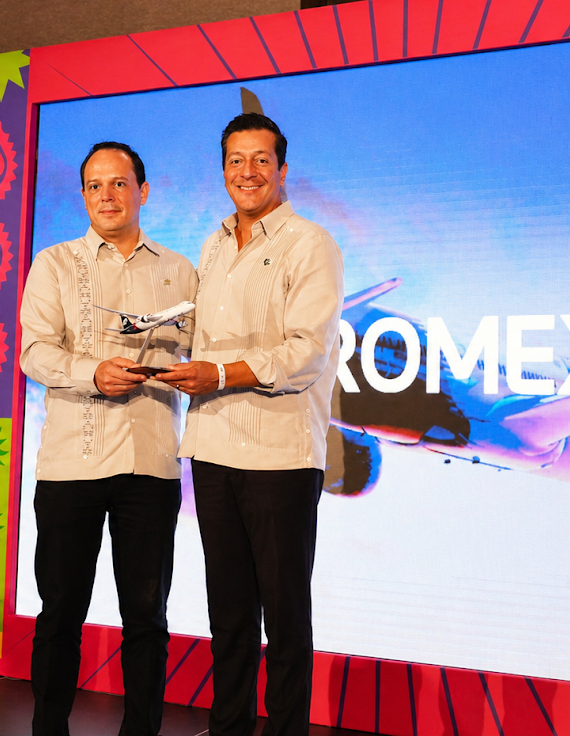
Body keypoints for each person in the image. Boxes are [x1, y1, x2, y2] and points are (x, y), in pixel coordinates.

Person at [156, 114, 344, 736]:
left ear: (283, 170)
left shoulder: (310, 243)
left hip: (280, 454)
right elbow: (202, 336)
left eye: (261, 159)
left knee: (285, 618)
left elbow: (306, 353)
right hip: (212, 447)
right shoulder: (212, 245)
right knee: (229, 616)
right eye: (236, 160)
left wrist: (219, 373)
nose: (248, 172)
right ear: (223, 171)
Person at [20, 141, 198, 736]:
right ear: (82, 196)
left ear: (142, 192)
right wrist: (91, 373)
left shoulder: (179, 270)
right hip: (71, 464)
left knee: (146, 618)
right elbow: (34, 351)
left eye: (119, 183)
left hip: (150, 464)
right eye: (95, 186)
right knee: (60, 615)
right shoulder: (54, 263)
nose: (107, 196)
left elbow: (202, 348)